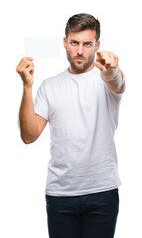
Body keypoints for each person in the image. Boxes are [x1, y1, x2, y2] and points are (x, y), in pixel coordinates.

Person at [16, 13, 125, 238]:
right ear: (65, 42)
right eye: (74, 43)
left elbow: (116, 81)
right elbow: (29, 135)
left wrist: (113, 68)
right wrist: (27, 87)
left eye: (87, 44)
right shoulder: (49, 86)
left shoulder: (106, 78)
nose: (80, 51)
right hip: (60, 195)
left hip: (102, 192)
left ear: (97, 45)